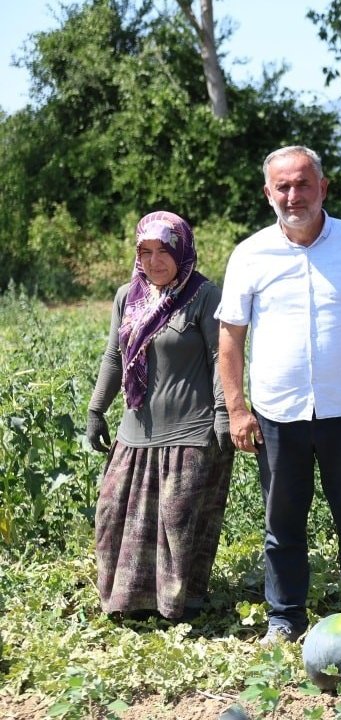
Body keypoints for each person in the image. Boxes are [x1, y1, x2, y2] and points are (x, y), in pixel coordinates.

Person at [216, 145, 341, 644]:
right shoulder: (250, 254)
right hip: (277, 410)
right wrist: (237, 409)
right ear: (268, 193)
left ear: (323, 187)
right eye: (283, 186)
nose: (293, 195)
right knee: (282, 521)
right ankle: (285, 616)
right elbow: (230, 337)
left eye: (303, 184)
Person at [87, 211, 233, 621]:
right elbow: (114, 357)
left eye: (164, 251)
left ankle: (178, 607)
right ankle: (129, 602)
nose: (155, 261)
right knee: (114, 514)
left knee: (177, 523)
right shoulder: (127, 296)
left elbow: (221, 355)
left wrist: (224, 413)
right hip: (136, 430)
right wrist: (97, 409)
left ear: (182, 250)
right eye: (146, 252)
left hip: (190, 430)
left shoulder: (205, 296)